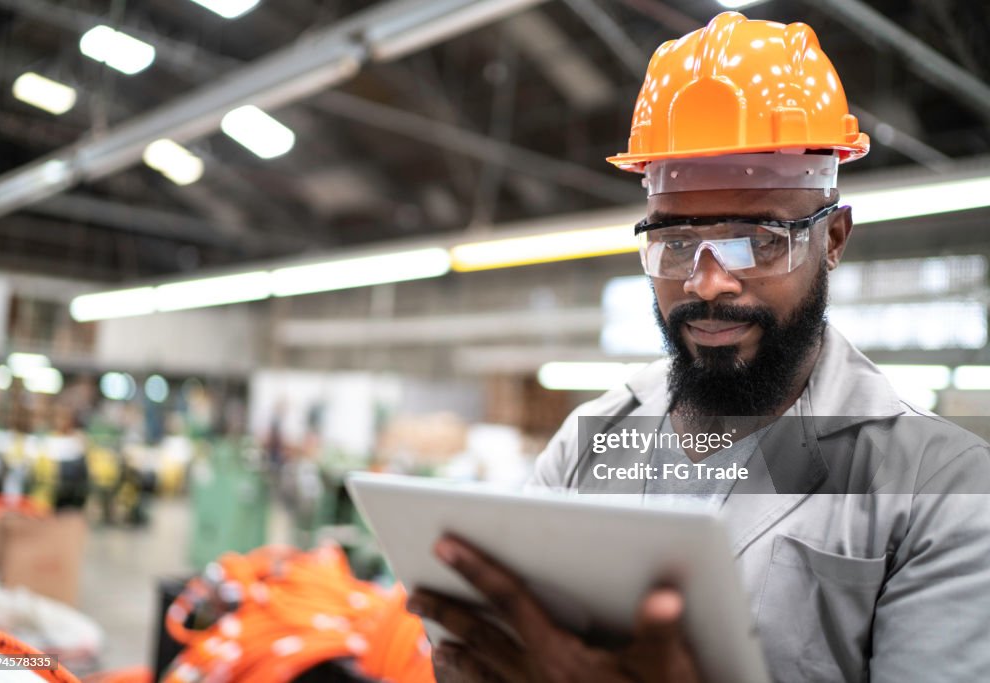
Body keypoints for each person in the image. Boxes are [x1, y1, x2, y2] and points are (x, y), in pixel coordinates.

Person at [407, 11, 990, 683]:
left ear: (833, 239)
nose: (707, 282)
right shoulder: (590, 443)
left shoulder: (940, 485)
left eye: (760, 239)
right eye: (677, 242)